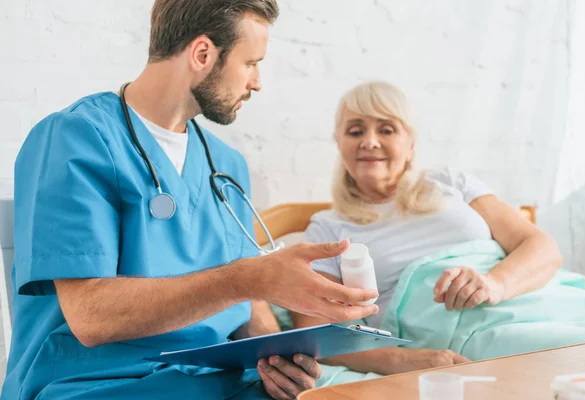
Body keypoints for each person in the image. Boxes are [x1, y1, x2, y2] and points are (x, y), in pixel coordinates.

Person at [2, 1, 380, 399]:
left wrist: (280, 360)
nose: (257, 82)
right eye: (251, 63)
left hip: (210, 382)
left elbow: (249, 305)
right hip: (96, 385)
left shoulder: (226, 165)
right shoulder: (74, 139)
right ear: (203, 54)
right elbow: (90, 316)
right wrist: (253, 277)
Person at [292, 80, 569, 375]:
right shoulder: (328, 227)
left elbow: (542, 248)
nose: (370, 142)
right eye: (355, 131)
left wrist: (493, 284)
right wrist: (401, 360)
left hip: (533, 303)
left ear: (410, 143)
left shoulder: (451, 183)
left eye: (386, 130)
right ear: (339, 143)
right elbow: (314, 333)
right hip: (464, 340)